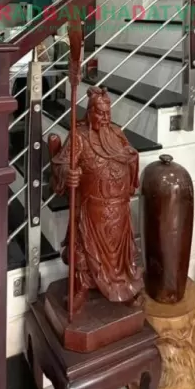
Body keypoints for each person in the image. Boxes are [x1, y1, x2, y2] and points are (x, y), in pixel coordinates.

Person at [48, 87, 144, 314]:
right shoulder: (79, 137)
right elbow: (61, 163)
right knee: (84, 250)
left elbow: (129, 154)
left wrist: (130, 159)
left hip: (119, 209)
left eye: (108, 112)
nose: (106, 117)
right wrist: (68, 173)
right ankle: (82, 286)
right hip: (92, 211)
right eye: (100, 113)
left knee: (122, 253)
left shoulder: (116, 133)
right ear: (90, 112)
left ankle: (124, 286)